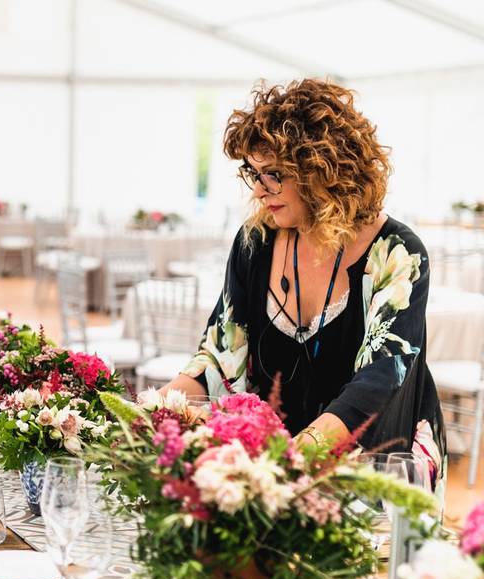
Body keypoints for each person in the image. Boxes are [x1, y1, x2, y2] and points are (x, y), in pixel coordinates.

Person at [165, 78, 445, 478]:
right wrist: (150, 409)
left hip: (375, 469)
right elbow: (218, 355)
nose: (261, 190)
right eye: (253, 173)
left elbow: (376, 385)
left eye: (274, 174)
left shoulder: (396, 253)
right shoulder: (255, 241)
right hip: (274, 472)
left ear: (324, 169)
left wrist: (285, 460)